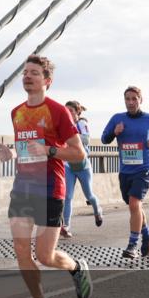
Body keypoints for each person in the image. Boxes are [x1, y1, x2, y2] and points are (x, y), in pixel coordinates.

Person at [0, 55, 92, 298]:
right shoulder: (17, 113)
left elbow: (78, 154)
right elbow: (25, 149)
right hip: (23, 187)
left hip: (51, 188)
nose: (27, 76)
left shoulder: (58, 111)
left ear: (47, 81)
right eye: (25, 72)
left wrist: (50, 150)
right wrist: (11, 152)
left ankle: (76, 267)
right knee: (21, 250)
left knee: (45, 256)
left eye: (34, 73)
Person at [101, 86, 149, 259]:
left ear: (140, 100)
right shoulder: (117, 118)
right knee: (133, 206)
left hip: (144, 169)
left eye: (134, 99)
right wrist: (115, 132)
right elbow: (104, 139)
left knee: (134, 204)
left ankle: (132, 245)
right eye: (127, 99)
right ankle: (147, 233)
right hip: (125, 170)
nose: (130, 102)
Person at [60, 101, 103, 238]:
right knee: (67, 197)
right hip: (68, 165)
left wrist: (71, 135)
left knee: (89, 195)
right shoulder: (62, 125)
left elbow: (86, 139)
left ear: (77, 113)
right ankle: (66, 226)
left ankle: (97, 211)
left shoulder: (81, 124)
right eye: (66, 111)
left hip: (83, 166)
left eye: (71, 111)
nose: (68, 113)